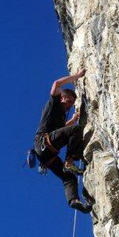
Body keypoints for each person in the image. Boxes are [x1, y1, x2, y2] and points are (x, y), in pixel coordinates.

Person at [34, 69, 92, 214]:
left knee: (69, 177)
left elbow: (60, 132)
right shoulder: (54, 103)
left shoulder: (61, 116)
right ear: (61, 98)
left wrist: (71, 120)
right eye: (68, 102)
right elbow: (56, 83)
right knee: (76, 130)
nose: (68, 106)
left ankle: (74, 201)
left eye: (71, 104)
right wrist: (77, 76)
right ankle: (70, 161)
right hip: (43, 142)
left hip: (46, 154)